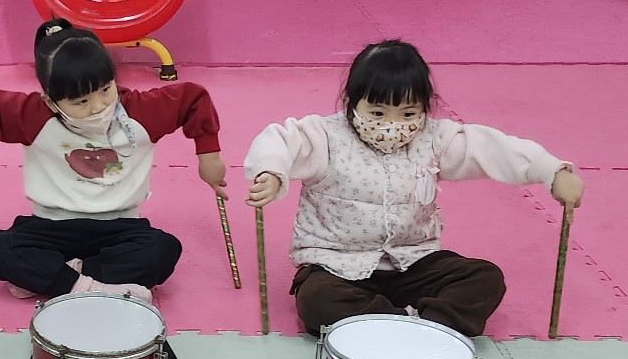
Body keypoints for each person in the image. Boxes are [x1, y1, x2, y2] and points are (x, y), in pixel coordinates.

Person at [243, 38, 585, 337]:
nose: (393, 125)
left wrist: (551, 171)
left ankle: (407, 324)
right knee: (318, 301)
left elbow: (489, 149)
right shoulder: (325, 137)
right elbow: (282, 141)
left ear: (424, 106)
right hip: (337, 266)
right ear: (350, 101)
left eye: (408, 114)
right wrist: (271, 172)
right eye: (378, 113)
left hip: (412, 262)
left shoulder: (434, 139)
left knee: (484, 277)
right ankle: (410, 325)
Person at [0, 19, 227, 302]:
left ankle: (58, 278)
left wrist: (208, 156)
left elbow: (194, 99)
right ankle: (94, 285)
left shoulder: (141, 112)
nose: (98, 106)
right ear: (50, 102)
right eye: (81, 102)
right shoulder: (36, 115)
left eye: (105, 90)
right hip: (49, 225)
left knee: (162, 250)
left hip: (120, 226)